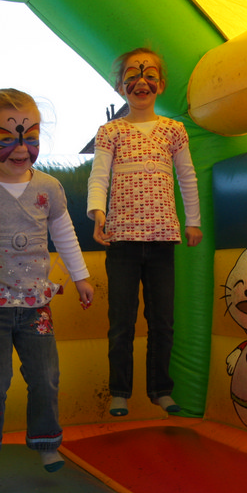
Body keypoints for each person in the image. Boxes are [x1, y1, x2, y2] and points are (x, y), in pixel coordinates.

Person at [0, 88, 94, 479]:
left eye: (30, 137)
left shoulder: (49, 188)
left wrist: (81, 276)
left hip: (35, 303)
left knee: (45, 376)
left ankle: (46, 442)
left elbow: (65, 234)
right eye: (6, 138)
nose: (21, 148)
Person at [87, 48, 202, 418]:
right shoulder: (111, 132)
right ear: (120, 87)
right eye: (132, 76)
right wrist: (98, 212)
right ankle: (119, 391)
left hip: (162, 239)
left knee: (162, 321)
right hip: (122, 239)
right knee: (121, 321)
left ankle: (160, 389)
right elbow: (99, 175)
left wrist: (193, 220)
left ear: (161, 85)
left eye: (149, 75)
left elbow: (187, 176)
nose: (141, 82)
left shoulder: (173, 130)